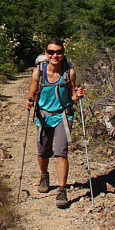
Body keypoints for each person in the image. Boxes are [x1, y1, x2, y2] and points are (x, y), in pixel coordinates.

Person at [24, 38, 85, 208]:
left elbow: (72, 97)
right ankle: (44, 175)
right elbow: (32, 92)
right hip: (43, 116)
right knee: (43, 151)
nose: (55, 55)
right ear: (46, 54)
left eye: (58, 52)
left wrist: (78, 95)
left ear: (63, 53)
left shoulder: (69, 72)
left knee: (61, 152)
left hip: (63, 116)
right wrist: (29, 101)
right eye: (51, 52)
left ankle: (62, 189)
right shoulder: (38, 72)